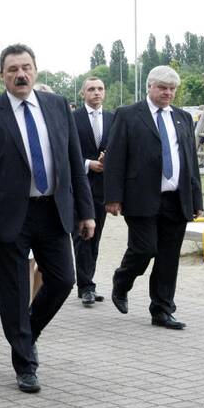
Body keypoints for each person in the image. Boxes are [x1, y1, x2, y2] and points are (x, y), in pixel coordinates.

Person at [0, 44, 94, 393]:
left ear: (36, 70)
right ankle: (25, 364)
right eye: (12, 70)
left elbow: (72, 162)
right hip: (9, 216)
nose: (20, 74)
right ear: (2, 76)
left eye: (26, 67)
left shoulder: (56, 106)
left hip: (52, 210)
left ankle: (27, 334)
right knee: (14, 290)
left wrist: (86, 211)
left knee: (64, 280)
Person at [105, 66, 203, 330]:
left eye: (172, 89)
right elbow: (114, 158)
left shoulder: (183, 118)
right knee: (145, 248)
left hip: (176, 199)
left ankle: (162, 309)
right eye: (162, 88)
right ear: (150, 87)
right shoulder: (127, 115)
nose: (168, 93)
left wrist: (196, 200)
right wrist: (113, 196)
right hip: (141, 197)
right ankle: (122, 281)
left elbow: (190, 161)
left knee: (169, 257)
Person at [72, 77, 112, 306]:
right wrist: (88, 164)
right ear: (83, 93)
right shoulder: (73, 118)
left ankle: (88, 281)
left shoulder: (113, 118)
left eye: (100, 88)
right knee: (81, 236)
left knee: (94, 237)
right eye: (91, 89)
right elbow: (67, 150)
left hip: (102, 189)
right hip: (79, 186)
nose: (96, 92)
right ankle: (86, 286)